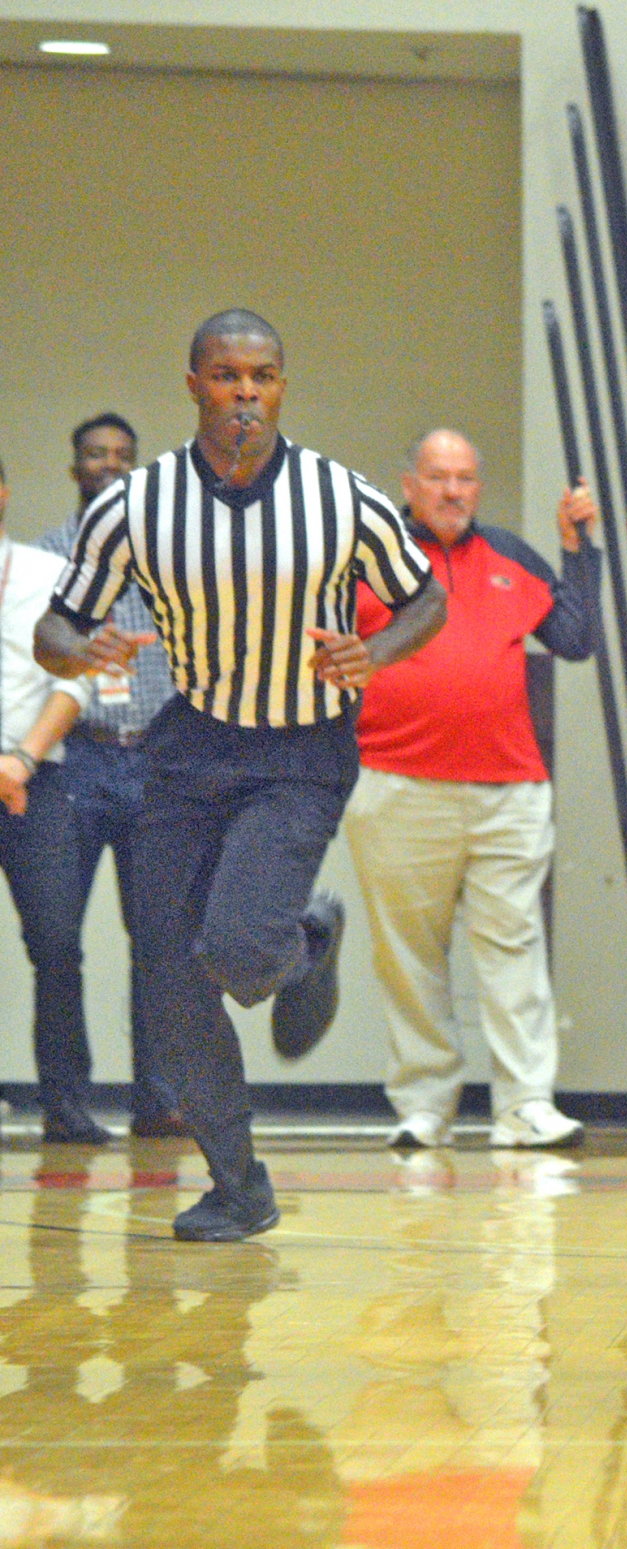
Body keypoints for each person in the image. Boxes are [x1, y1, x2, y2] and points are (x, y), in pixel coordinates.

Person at [36, 309, 446, 1241]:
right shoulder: (134, 506)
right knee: (172, 984)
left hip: (299, 752)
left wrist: (374, 651)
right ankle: (238, 1183)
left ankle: (304, 937)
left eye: (261, 376)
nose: (245, 395)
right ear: (194, 387)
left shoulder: (340, 496)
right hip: (191, 748)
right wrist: (80, 649)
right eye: (225, 377)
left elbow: (428, 594)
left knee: (234, 949)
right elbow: (53, 628)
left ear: (281, 387)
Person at [341, 428, 602, 1152]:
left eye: (465, 478)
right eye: (437, 477)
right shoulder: (370, 561)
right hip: (395, 785)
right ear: (409, 485)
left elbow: (576, 638)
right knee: (407, 954)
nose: (453, 490)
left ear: (477, 487)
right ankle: (424, 1106)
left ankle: (525, 1105)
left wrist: (583, 551)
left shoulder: (511, 557)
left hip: (508, 791)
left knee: (514, 947)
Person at [32, 412, 186, 1136]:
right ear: (74, 468)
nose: (110, 466)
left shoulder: (170, 559)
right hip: (76, 759)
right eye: (95, 454)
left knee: (157, 937)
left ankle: (157, 1097)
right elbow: (33, 655)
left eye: (124, 455)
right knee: (59, 938)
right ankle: (65, 1102)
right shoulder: (48, 560)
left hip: (155, 756)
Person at [0, 456, 101, 1142]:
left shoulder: (45, 573)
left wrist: (23, 757)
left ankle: (65, 1106)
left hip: (37, 779)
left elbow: (77, 680)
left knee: (58, 944)